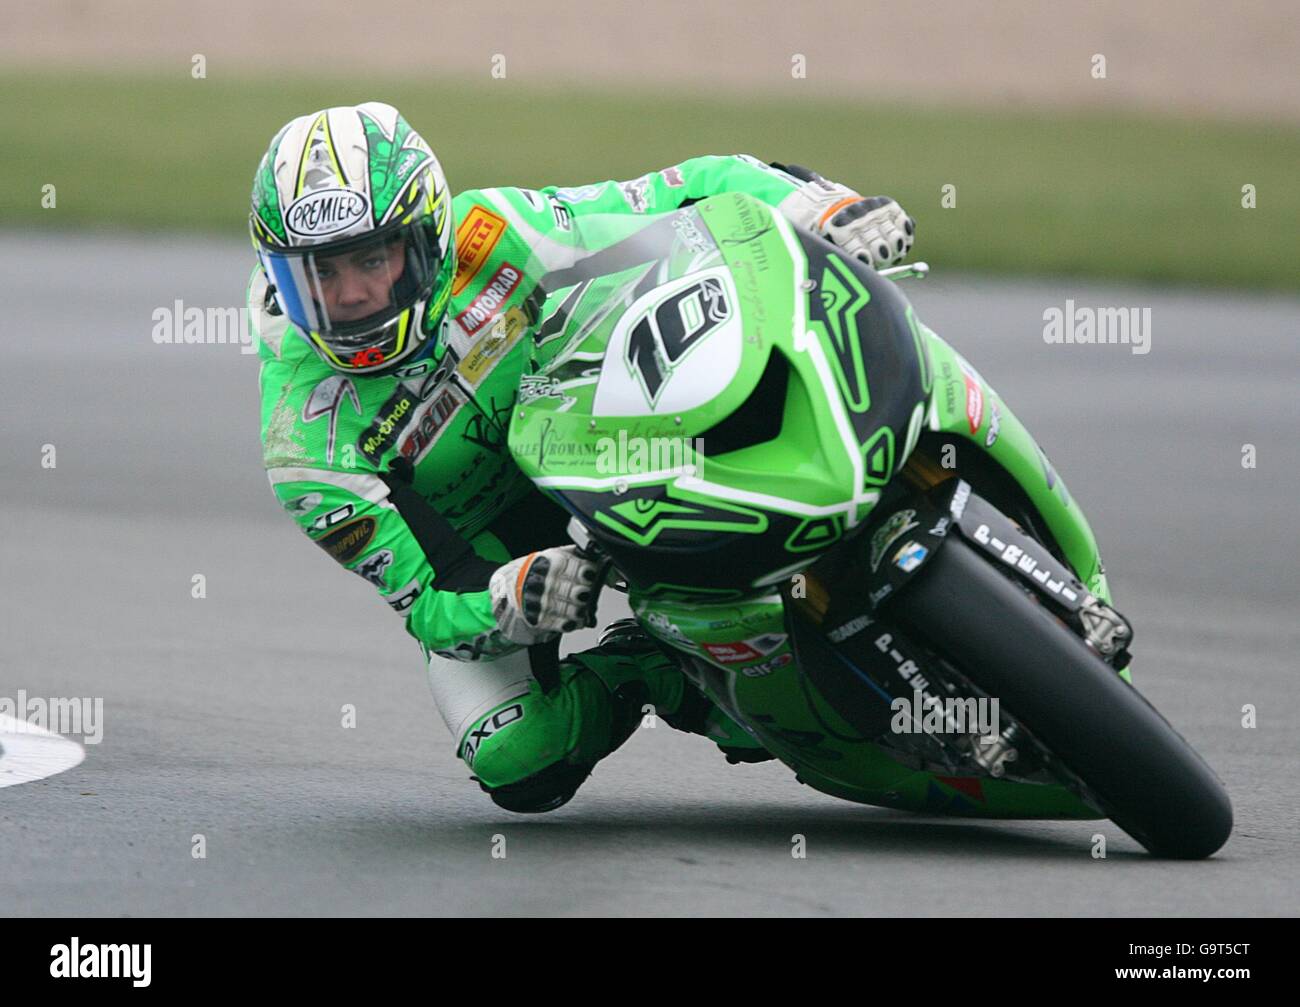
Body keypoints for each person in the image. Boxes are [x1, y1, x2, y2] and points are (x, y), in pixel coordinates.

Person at [248, 101, 916, 812]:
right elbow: (431, 596)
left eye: (372, 259)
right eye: (319, 273)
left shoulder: (493, 234)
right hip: (489, 545)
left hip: (599, 430)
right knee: (518, 761)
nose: (350, 295)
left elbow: (684, 192)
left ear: (427, 240)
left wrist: (822, 209)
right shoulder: (302, 440)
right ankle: (658, 669)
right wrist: (508, 597)